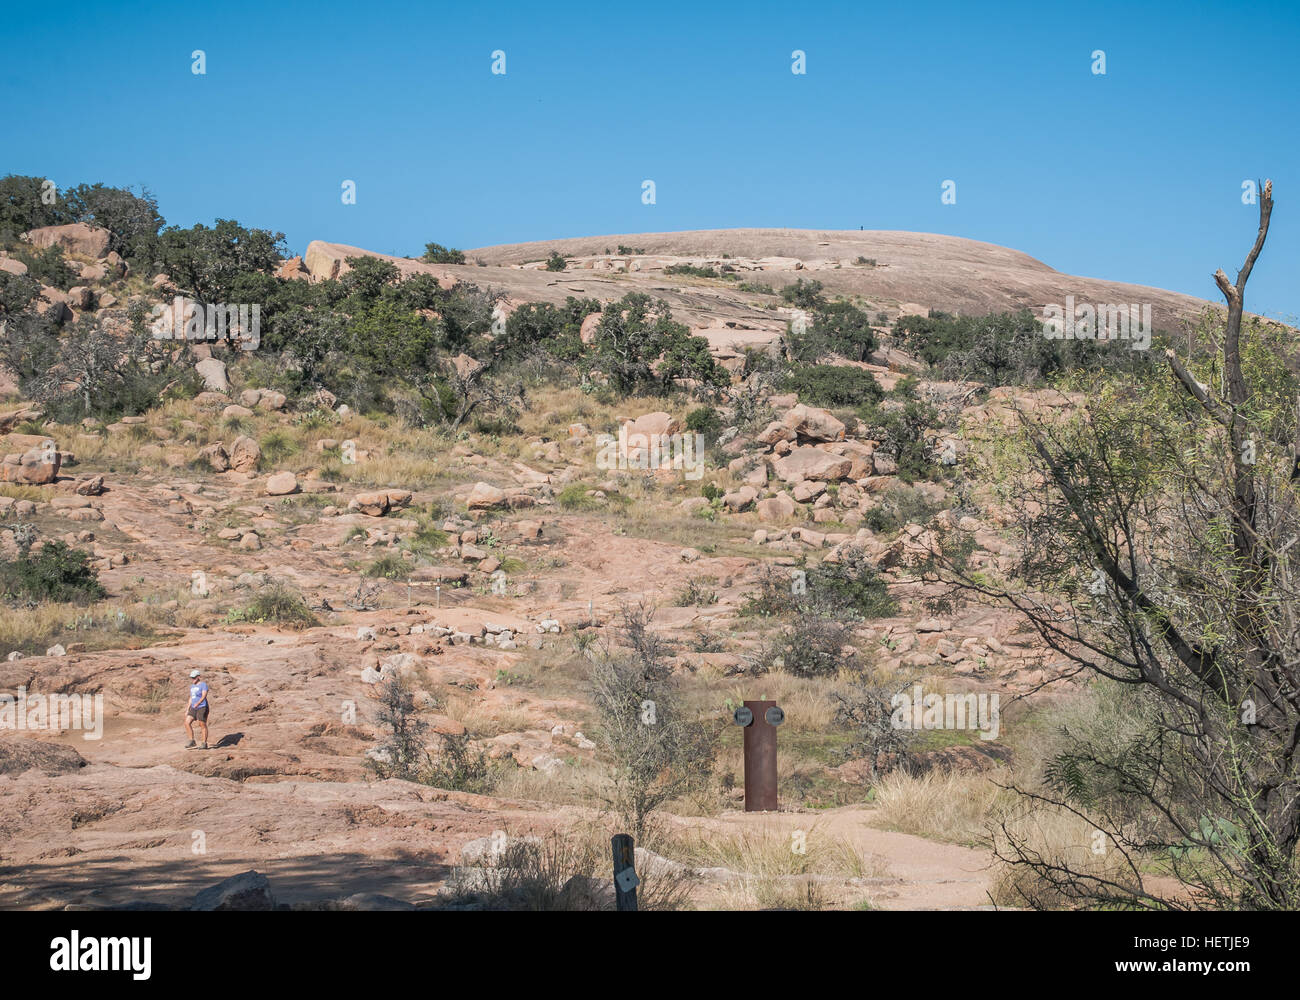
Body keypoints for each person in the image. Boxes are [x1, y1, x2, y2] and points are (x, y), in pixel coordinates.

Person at [184, 669, 210, 749]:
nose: (192, 679)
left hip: (202, 707)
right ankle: (192, 741)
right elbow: (191, 697)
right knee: (187, 722)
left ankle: (204, 743)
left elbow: (204, 696)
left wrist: (198, 703)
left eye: (194, 677)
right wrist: (187, 709)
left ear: (198, 677)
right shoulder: (192, 686)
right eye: (191, 678)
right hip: (193, 707)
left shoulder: (203, 685)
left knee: (202, 724)